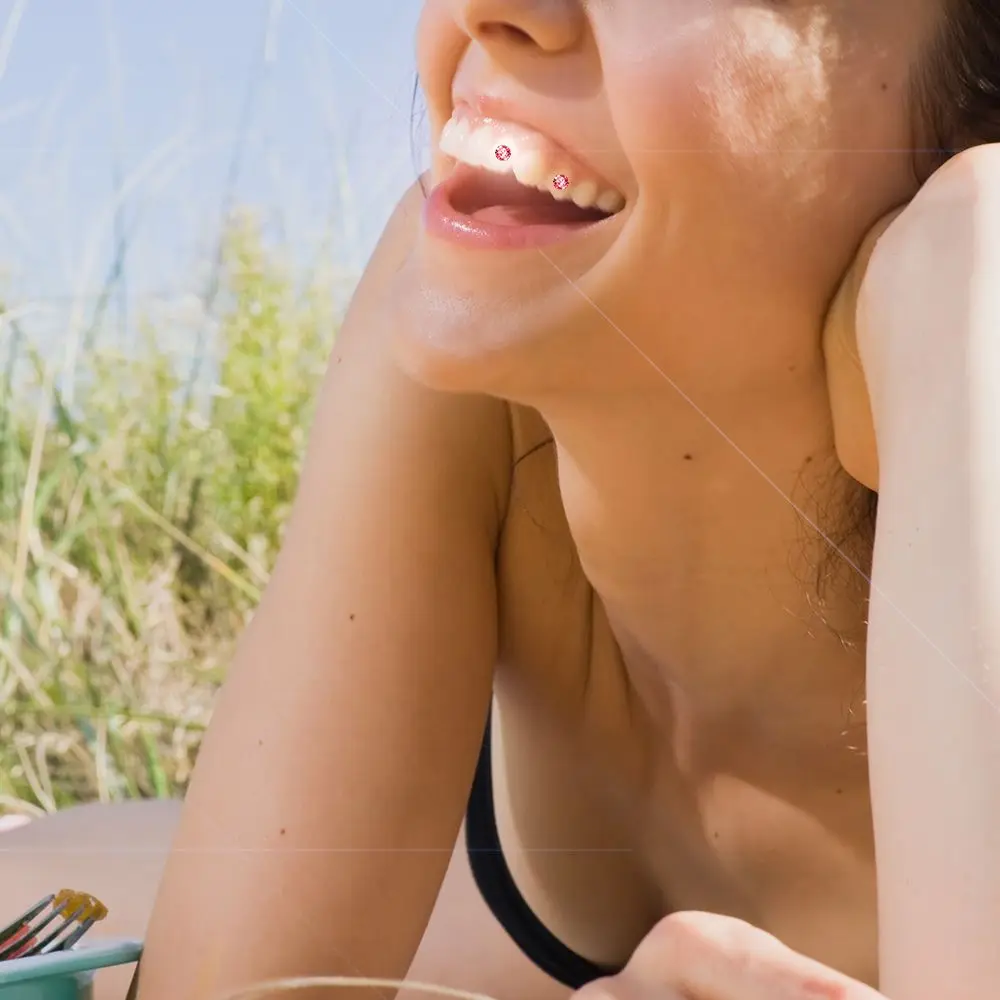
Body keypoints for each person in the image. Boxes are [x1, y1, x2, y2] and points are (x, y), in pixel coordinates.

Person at [4, 1, 1000, 997]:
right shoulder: (465, 295)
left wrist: (970, 249)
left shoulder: (975, 270)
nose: (491, 10)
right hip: (487, 922)